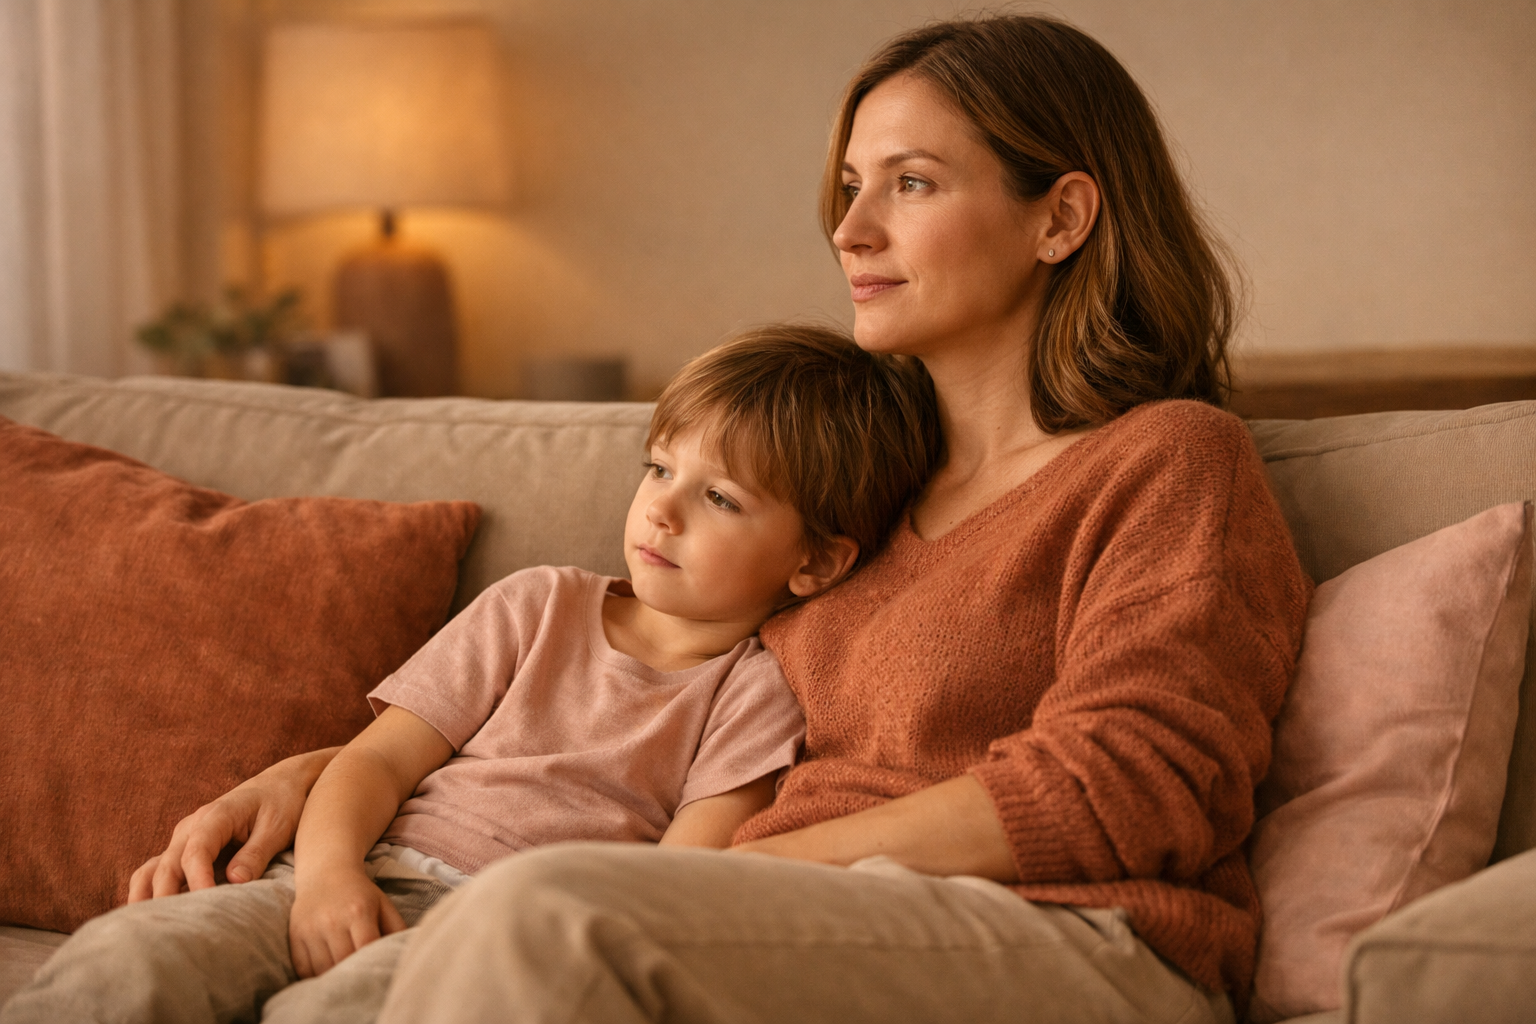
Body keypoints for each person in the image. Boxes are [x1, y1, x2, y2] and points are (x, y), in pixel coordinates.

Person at [39, 14, 1315, 1024]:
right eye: (851, 183)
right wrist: (308, 777)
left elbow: (1138, 785)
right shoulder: (841, 506)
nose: (849, 226)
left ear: (1063, 217)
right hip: (750, 917)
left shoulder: (1165, 462)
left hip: (1074, 936)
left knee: (543, 918)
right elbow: (623, 690)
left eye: (911, 184)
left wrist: (720, 878)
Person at [0, 325, 941, 1024]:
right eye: (659, 470)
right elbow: (375, 763)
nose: (662, 513)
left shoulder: (758, 693)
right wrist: (326, 876)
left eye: (721, 497)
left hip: (493, 934)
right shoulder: (539, 604)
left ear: (815, 564)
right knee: (129, 962)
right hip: (348, 867)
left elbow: (682, 878)